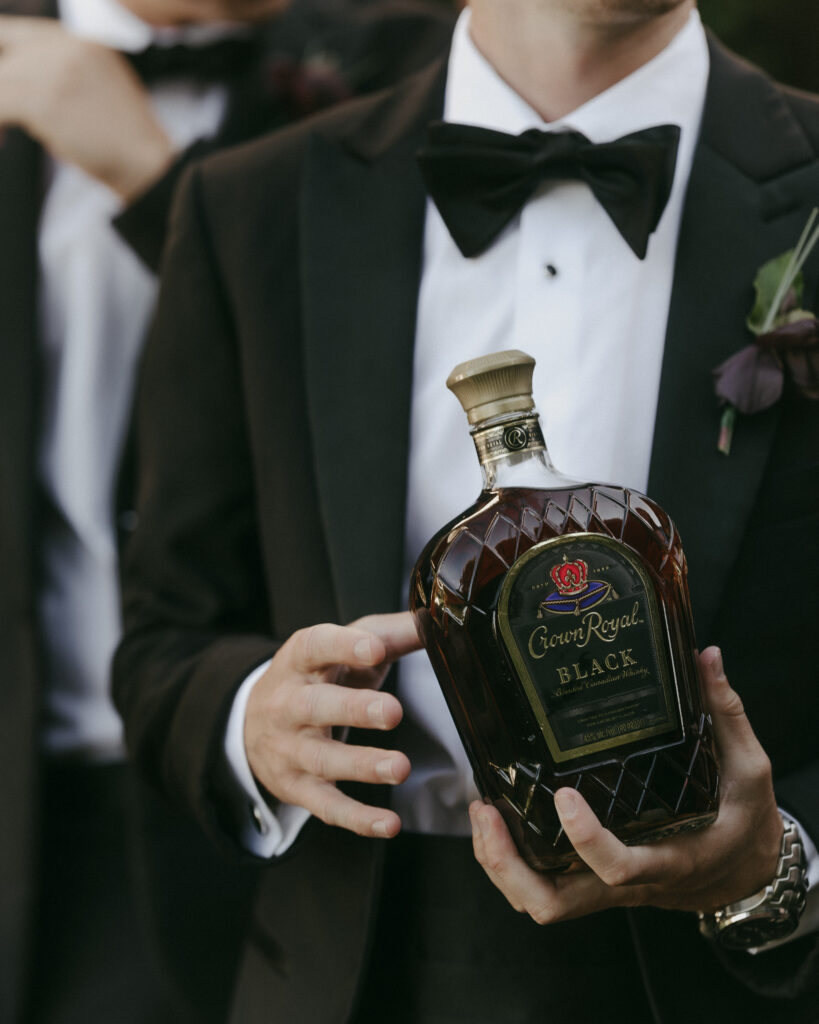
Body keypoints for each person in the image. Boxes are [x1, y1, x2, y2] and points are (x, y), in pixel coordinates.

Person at [113, 0, 819, 1020]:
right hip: (354, 960)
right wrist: (252, 719)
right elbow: (164, 638)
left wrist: (775, 861)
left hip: (736, 977)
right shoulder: (251, 206)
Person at [0, 0, 453, 1020]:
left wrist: (155, 175)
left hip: (296, 813)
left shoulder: (412, 62)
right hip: (33, 800)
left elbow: (375, 394)